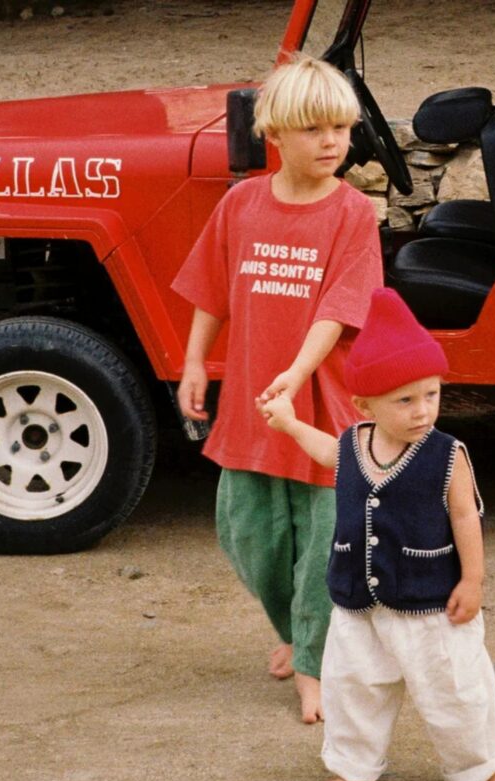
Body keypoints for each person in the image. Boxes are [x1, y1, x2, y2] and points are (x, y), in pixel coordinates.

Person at [172, 54, 383, 722]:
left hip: (320, 403)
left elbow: (340, 308)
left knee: (325, 539)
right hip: (252, 403)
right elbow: (213, 287)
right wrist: (194, 361)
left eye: (342, 129)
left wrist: (296, 370)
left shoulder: (352, 213)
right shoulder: (242, 204)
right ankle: (294, 629)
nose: (332, 143)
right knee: (251, 533)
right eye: (316, 129)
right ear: (277, 135)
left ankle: (315, 665)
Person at [260, 288, 495, 781]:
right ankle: (354, 767)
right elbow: (326, 452)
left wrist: (473, 580)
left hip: (432, 604)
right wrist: (288, 423)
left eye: (431, 394)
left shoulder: (448, 455)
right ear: (364, 404)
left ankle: (480, 763)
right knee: (353, 689)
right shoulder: (355, 444)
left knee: (457, 691)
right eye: (404, 400)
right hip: (358, 603)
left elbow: (467, 516)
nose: (422, 411)